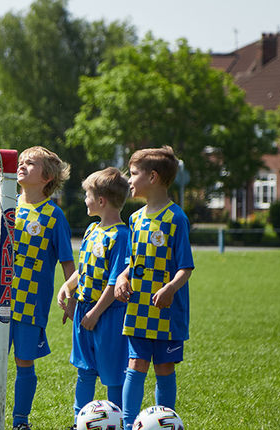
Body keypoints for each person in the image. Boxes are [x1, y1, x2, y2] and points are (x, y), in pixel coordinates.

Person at [0, 146, 75, 430]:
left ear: (47, 177)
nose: (21, 165)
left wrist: (72, 295)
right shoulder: (8, 202)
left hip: (31, 302)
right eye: (20, 162)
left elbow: (69, 264)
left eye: (30, 163)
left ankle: (20, 421)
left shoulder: (54, 216)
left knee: (24, 361)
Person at [113, 146, 194, 430]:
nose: (129, 179)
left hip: (167, 313)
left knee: (164, 368)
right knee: (135, 366)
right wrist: (122, 278)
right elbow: (131, 262)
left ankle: (165, 423)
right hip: (138, 309)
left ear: (154, 177)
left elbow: (186, 267)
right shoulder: (134, 219)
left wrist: (171, 288)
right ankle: (126, 424)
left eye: (134, 174)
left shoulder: (176, 218)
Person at [55, 167, 131, 422]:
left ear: (101, 201)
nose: (84, 200)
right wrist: (68, 287)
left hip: (108, 315)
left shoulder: (121, 236)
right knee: (84, 370)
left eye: (87, 195)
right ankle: (80, 421)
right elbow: (83, 271)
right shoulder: (91, 230)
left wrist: (95, 313)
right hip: (84, 312)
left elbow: (113, 283)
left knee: (113, 375)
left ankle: (115, 421)